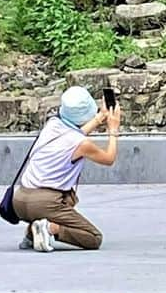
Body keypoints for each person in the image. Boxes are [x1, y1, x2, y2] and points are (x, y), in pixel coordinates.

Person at [13, 85, 121, 252]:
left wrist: (100, 118)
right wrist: (113, 130)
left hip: (20, 199)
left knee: (68, 199)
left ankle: (31, 233)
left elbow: (74, 133)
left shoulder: (52, 124)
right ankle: (49, 228)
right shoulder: (81, 144)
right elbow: (109, 159)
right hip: (44, 203)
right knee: (93, 238)